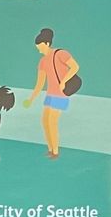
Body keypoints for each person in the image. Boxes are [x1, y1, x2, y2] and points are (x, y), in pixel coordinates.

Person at [24, 28, 79, 158]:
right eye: (38, 48)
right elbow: (40, 83)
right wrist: (31, 99)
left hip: (61, 94)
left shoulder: (61, 53)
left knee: (52, 121)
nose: (39, 50)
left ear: (47, 44)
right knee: (45, 121)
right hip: (50, 95)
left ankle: (55, 151)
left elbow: (75, 67)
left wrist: (64, 81)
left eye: (41, 47)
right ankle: (50, 149)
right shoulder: (42, 62)